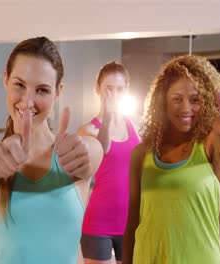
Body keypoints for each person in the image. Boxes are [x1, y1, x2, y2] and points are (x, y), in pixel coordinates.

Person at [0, 36, 103, 264]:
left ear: (58, 92)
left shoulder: (74, 157)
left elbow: (93, 150)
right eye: (19, 85)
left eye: (42, 90)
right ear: (5, 80)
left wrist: (88, 148)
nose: (28, 101)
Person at [122, 55, 220, 264]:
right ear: (162, 102)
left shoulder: (211, 144)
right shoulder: (141, 154)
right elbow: (132, 221)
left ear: (207, 101)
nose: (185, 108)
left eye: (195, 99)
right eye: (177, 99)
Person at [79, 62, 140, 264]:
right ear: (98, 89)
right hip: (98, 222)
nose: (114, 94)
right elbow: (103, 148)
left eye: (120, 89)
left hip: (131, 221)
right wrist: (107, 117)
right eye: (109, 88)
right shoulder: (88, 130)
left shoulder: (136, 126)